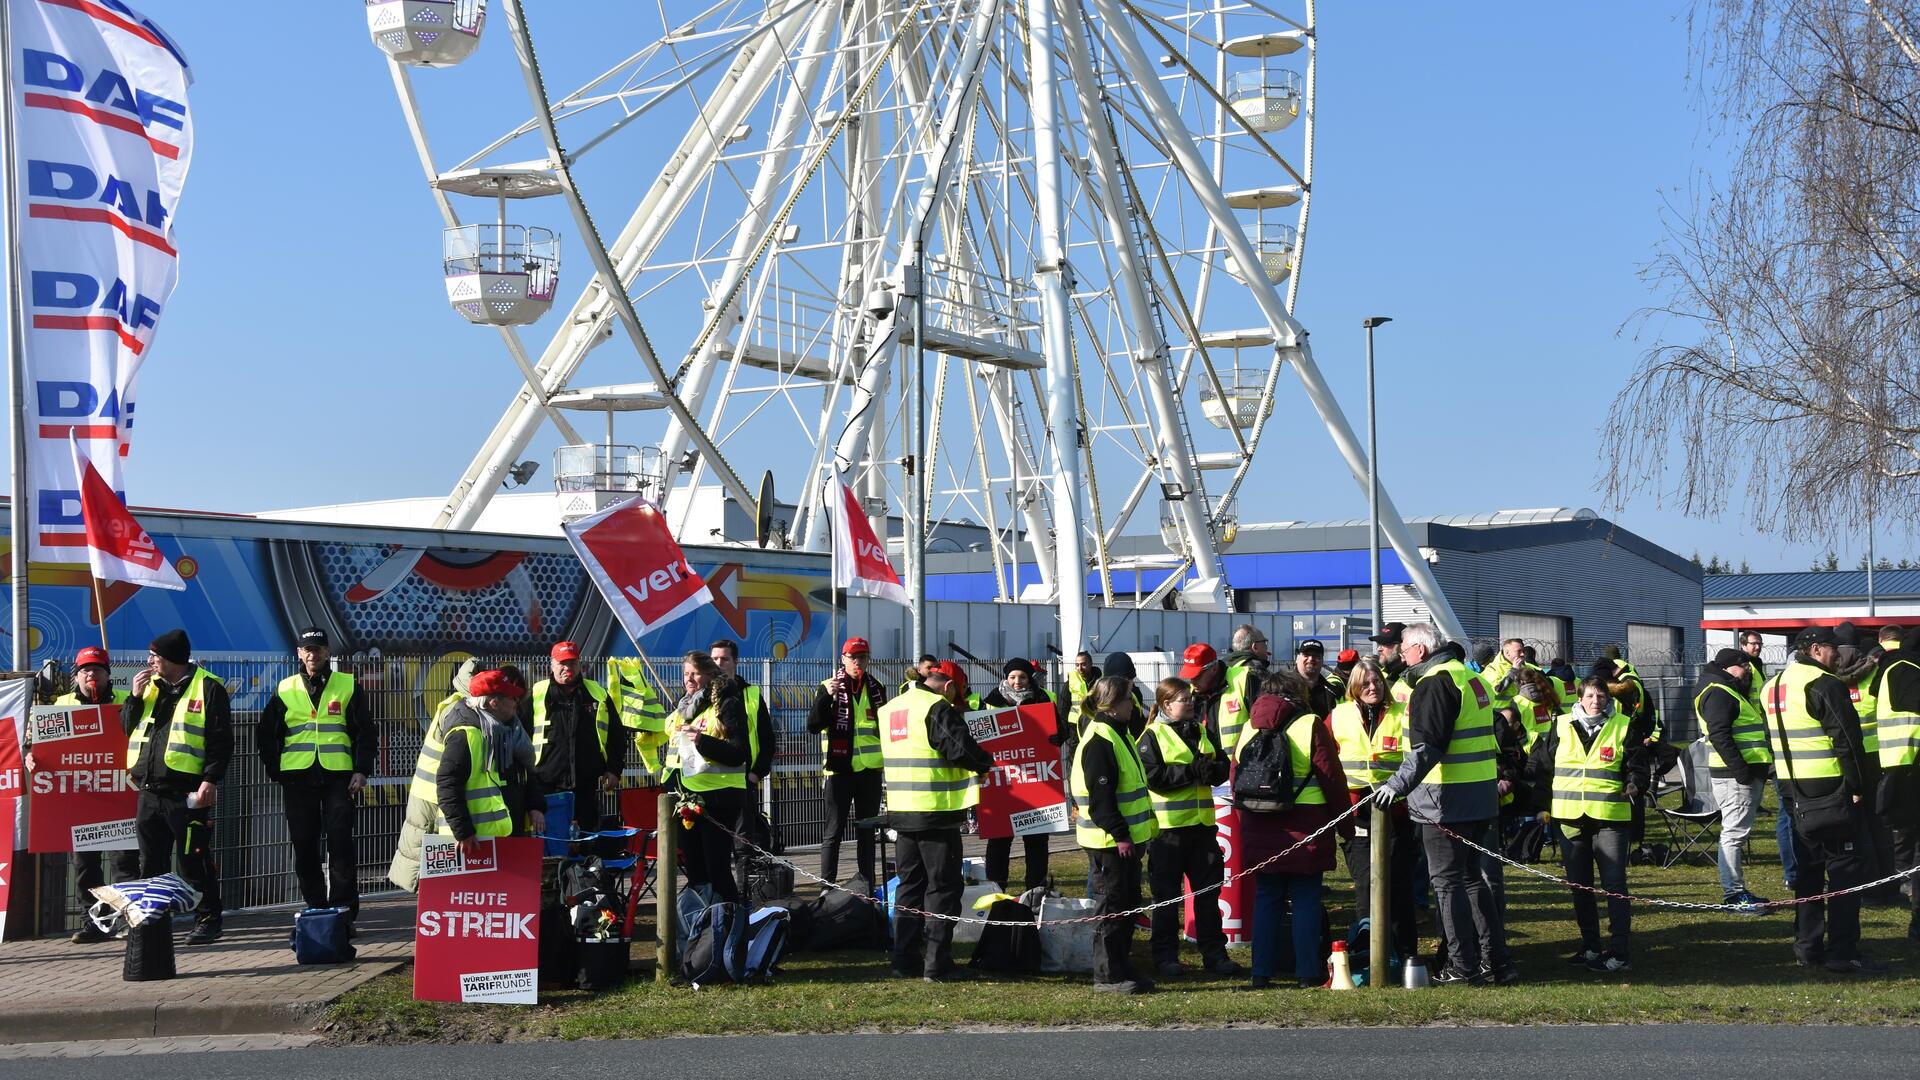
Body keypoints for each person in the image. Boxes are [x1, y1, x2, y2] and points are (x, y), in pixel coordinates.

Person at [1375, 623, 1514, 985]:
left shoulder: (1434, 682)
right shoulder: (1472, 678)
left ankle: (1461, 966)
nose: (1402, 654)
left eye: (1404, 647)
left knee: (1447, 883)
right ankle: (1495, 961)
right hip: (1479, 796)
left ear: (1420, 650)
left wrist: (1396, 785)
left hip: (1444, 800)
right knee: (1472, 880)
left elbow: (1428, 748)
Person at [1763, 625, 1883, 973]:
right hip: (1831, 791)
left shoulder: (1772, 687)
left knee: (1808, 873)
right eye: (1833, 649)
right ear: (1816, 649)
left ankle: (1807, 946)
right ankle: (1842, 951)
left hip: (1791, 790)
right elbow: (1847, 740)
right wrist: (1859, 785)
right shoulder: (1824, 684)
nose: (1838, 656)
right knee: (1845, 871)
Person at [1526, 678, 1648, 973]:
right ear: (1579, 698)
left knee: (1615, 886)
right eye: (1590, 695)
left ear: (1608, 698)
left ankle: (1620, 952)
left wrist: (1634, 784)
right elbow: (1542, 768)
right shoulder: (1561, 724)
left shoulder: (1623, 724)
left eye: (1601, 695)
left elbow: (1638, 766)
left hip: (1609, 818)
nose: (1596, 700)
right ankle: (1591, 947)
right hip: (1569, 819)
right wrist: (1539, 805)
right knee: (1580, 887)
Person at [1238, 669, 1349, 988]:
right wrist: (1345, 825)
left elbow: (1236, 777)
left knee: (1267, 898)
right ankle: (1306, 971)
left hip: (1259, 823)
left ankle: (1261, 971)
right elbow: (1331, 778)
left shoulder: (1249, 726)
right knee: (1305, 900)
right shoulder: (1309, 724)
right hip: (1306, 824)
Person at [885, 662, 993, 981]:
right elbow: (958, 748)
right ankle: (937, 963)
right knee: (943, 888)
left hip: (902, 811)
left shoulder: (893, 707)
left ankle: (903, 960)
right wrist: (986, 762)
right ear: (948, 686)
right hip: (935, 812)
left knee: (909, 887)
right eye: (956, 694)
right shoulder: (935, 707)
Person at [258, 628, 374, 926]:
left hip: (339, 777)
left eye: (319, 649)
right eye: (307, 649)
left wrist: (361, 770)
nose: (313, 654)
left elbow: (365, 732)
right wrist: (276, 770)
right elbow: (267, 735)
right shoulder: (285, 688)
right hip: (297, 777)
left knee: (340, 845)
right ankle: (316, 908)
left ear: (328, 651)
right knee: (304, 845)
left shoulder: (347, 685)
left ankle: (343, 912)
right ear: (299, 653)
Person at [124, 629, 231, 945]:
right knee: (151, 863)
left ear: (171, 659)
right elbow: (126, 727)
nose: (150, 662)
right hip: (149, 790)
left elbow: (221, 740)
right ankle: (153, 924)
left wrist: (210, 779)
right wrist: (133, 696)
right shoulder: (149, 688)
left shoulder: (208, 688)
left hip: (187, 793)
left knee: (192, 859)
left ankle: (208, 919)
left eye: (155, 657)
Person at [1139, 676, 1238, 978]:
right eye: (1184, 698)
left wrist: (1214, 770)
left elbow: (1221, 763)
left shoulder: (1200, 730)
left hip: (1202, 828)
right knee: (1166, 900)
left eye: (1191, 697)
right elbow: (1153, 777)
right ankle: (1166, 957)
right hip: (1168, 832)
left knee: (1209, 897)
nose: (1191, 702)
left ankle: (1215, 955)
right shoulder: (1151, 736)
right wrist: (1190, 771)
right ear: (1167, 704)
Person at [1072, 675, 1159, 992]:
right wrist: (1122, 836)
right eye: (1129, 700)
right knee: (1111, 909)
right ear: (1114, 703)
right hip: (1109, 842)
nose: (1133, 705)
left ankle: (1122, 967)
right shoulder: (1100, 741)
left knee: (1127, 906)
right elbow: (1101, 802)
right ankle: (1107, 976)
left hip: (1125, 842)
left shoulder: (1116, 733)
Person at [1328, 658, 1417, 963]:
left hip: (1397, 812)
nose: (1372, 687)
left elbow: (1414, 759)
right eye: (1365, 682)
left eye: (1376, 681)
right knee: (1365, 885)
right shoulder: (1338, 716)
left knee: (1399, 887)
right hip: (1356, 813)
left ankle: (1404, 954)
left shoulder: (1401, 713)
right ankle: (1369, 954)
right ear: (1354, 686)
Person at [46, 647, 136, 943]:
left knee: (124, 865)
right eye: (85, 669)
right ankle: (94, 924)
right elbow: (35, 745)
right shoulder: (61, 705)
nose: (91, 674)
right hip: (82, 801)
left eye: (97, 669)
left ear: (109, 674)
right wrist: (31, 756)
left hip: (119, 798)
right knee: (85, 867)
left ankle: (129, 921)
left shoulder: (128, 703)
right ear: (77, 675)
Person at [391, 657, 486, 891]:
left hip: (428, 794)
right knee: (433, 863)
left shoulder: (451, 704)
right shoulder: (462, 714)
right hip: (436, 798)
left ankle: (431, 909)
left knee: (425, 859)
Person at [671, 651, 753, 903]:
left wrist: (702, 740)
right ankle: (702, 930)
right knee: (696, 873)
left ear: (709, 674)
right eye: (686, 674)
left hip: (720, 800)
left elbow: (740, 753)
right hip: (690, 798)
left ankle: (729, 925)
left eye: (695, 673)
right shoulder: (686, 707)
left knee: (717, 871)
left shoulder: (727, 703)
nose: (689, 679)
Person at [1696, 646, 1773, 910]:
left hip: (1738, 774)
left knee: (1734, 834)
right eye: (1744, 666)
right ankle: (1733, 893)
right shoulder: (1719, 692)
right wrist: (1742, 771)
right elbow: (1720, 735)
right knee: (1733, 835)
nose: (1748, 671)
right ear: (1730, 667)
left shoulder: (1721, 688)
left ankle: (1735, 890)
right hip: (1735, 776)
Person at [433, 669, 545, 850]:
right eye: (511, 697)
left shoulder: (508, 730)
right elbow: (447, 786)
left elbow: (525, 773)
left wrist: (535, 805)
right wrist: (463, 831)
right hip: (475, 843)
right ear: (494, 703)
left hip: (506, 834)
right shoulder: (464, 736)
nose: (516, 702)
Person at [808, 638, 888, 883]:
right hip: (839, 770)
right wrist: (826, 698)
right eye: (852, 657)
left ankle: (867, 883)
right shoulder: (829, 685)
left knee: (867, 832)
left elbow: (884, 726)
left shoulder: (876, 687)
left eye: (862, 656)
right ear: (843, 658)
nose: (857, 661)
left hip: (870, 771)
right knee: (833, 833)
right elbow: (813, 726)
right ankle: (827, 885)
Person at [521, 641, 621, 833]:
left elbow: (617, 735)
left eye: (572, 663)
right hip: (547, 784)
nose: (567, 668)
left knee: (587, 840)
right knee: (552, 843)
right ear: (551, 665)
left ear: (579, 664)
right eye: (562, 663)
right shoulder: (536, 694)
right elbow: (520, 736)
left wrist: (614, 769)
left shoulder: (597, 694)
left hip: (586, 784)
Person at [980, 658, 1055, 890]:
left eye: (1022, 677)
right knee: (999, 840)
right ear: (1005, 678)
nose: (1017, 682)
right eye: (1012, 677)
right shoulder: (991, 700)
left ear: (1029, 678)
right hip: (1003, 784)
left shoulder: (1043, 698)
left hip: (1035, 781)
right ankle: (996, 889)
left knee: (1037, 841)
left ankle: (1035, 890)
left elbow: (1059, 732)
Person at [1872, 626, 1920, 941]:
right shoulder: (1906, 669)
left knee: (1903, 829)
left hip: (1895, 759)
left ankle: (1903, 878)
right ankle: (1903, 879)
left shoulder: (1888, 668)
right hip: (1909, 761)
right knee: (1905, 830)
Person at [710, 640, 776, 785]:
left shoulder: (751, 693)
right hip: (708, 781)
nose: (718, 663)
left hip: (743, 779)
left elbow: (767, 739)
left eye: (724, 659)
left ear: (735, 662)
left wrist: (756, 774)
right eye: (714, 659)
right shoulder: (702, 695)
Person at [1217, 624, 1272, 753]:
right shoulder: (1255, 672)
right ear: (1255, 647)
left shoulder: (1221, 670)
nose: (1266, 647)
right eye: (1264, 642)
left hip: (1217, 755)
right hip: (1246, 755)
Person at [1294, 639, 1338, 718]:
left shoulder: (1334, 691)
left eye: (1316, 656)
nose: (1311, 659)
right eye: (1306, 655)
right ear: (1297, 658)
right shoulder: (1283, 687)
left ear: (1322, 660)